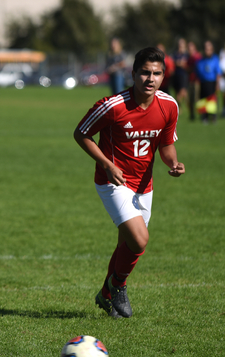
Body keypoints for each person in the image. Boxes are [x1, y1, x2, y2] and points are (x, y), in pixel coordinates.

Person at [74, 46, 185, 319]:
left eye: (156, 74)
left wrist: (173, 163)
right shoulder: (113, 106)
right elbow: (81, 133)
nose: (150, 79)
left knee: (126, 244)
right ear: (133, 74)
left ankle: (106, 294)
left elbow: (166, 146)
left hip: (144, 186)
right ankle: (119, 285)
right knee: (139, 239)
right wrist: (106, 164)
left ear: (163, 76)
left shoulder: (169, 106)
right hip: (113, 182)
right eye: (145, 72)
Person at [194, 40, 221, 124]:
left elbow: (218, 73)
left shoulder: (215, 59)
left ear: (212, 49)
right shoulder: (201, 61)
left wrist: (217, 84)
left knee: (212, 101)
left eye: (208, 49)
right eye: (206, 49)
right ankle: (204, 117)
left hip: (212, 83)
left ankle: (213, 117)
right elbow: (197, 72)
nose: (207, 50)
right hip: (203, 83)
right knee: (203, 100)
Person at [171, 38, 189, 113]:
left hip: (183, 75)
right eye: (179, 44)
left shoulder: (186, 54)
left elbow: (186, 64)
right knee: (177, 92)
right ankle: (180, 107)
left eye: (182, 44)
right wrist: (178, 63)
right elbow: (172, 62)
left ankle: (181, 106)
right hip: (176, 75)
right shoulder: (175, 54)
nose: (180, 46)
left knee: (182, 92)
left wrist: (179, 63)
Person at [186, 41, 202, 121]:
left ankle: (201, 115)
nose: (189, 49)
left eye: (190, 47)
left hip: (197, 81)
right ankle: (192, 115)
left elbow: (198, 68)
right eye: (188, 48)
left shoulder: (197, 57)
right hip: (190, 80)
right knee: (190, 99)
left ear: (194, 48)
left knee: (197, 99)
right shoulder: (189, 58)